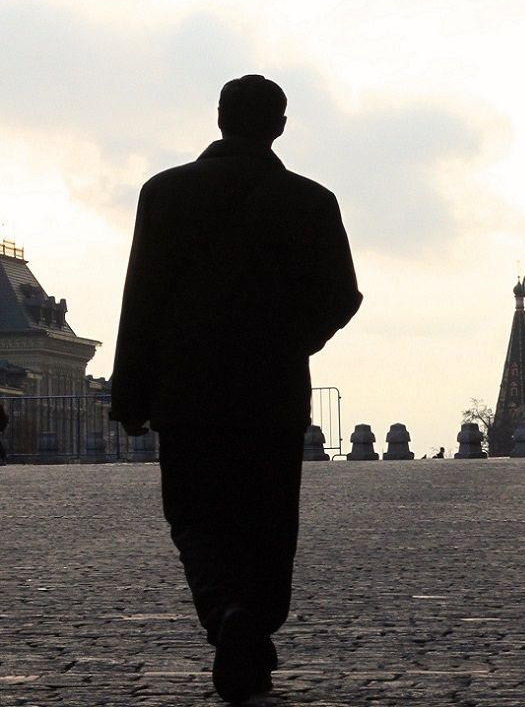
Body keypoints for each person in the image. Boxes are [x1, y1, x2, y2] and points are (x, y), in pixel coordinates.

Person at [109, 75, 362, 704]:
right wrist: (292, 341)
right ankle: (253, 618)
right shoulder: (311, 200)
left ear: (220, 118)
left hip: (186, 395)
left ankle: (226, 610)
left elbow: (141, 299)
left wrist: (130, 392)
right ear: (279, 126)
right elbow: (342, 295)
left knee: (195, 517)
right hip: (271, 395)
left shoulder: (164, 192)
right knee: (269, 522)